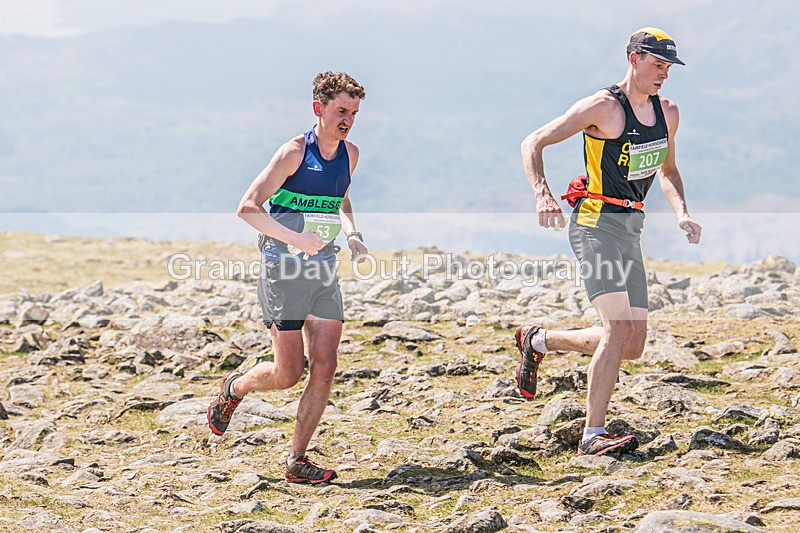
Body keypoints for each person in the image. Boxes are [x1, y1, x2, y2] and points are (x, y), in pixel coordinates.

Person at [517, 28, 702, 456]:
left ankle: (539, 339)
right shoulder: (602, 107)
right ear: (634, 59)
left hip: (630, 228)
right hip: (594, 224)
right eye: (658, 65)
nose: (664, 75)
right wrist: (542, 192)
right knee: (617, 330)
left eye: (669, 67)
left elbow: (667, 170)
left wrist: (683, 213)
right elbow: (533, 142)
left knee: (631, 344)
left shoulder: (668, 112)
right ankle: (592, 435)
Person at [208, 71, 368, 483]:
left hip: (323, 269)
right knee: (287, 375)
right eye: (340, 111)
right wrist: (296, 237)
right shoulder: (294, 152)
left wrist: (354, 237)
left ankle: (296, 459)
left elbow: (342, 199)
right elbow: (247, 207)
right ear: (319, 109)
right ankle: (236, 389)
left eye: (354, 112)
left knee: (327, 365)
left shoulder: (350, 153)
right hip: (283, 268)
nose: (347, 119)